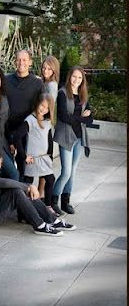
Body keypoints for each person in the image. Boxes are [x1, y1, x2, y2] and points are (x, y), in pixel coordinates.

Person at [0, 150, 76, 236]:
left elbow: (9, 185)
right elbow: (4, 183)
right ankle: (40, 225)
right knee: (17, 192)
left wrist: (29, 188)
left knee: (20, 191)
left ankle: (52, 220)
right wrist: (28, 187)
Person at [52, 66, 93, 214]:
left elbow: (90, 119)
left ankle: (65, 201)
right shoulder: (62, 93)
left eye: (80, 78)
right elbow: (63, 116)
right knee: (66, 172)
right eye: (74, 77)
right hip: (66, 137)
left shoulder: (83, 96)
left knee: (73, 172)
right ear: (70, 77)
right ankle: (53, 201)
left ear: (83, 80)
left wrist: (81, 119)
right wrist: (81, 118)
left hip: (79, 138)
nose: (76, 80)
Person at [13, 93, 62, 216]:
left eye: (47, 108)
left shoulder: (47, 121)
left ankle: (48, 206)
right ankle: (23, 212)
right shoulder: (30, 120)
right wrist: (24, 156)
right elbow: (17, 137)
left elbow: (49, 139)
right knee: (28, 183)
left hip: (44, 158)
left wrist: (50, 155)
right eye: (42, 106)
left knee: (50, 179)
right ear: (37, 104)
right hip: (32, 159)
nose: (43, 109)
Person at [5, 49, 45, 180]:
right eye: (18, 59)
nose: (21, 62)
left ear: (30, 63)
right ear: (15, 61)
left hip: (27, 132)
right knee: (8, 169)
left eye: (24, 60)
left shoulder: (37, 83)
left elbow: (42, 108)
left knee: (26, 170)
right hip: (8, 130)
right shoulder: (6, 80)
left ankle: (24, 197)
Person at [38, 55, 60, 199]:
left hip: (45, 127)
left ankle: (41, 192)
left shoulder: (51, 85)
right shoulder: (43, 82)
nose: (46, 70)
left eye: (49, 69)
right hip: (41, 125)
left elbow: (48, 107)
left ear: (54, 71)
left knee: (44, 160)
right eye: (44, 68)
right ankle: (40, 192)